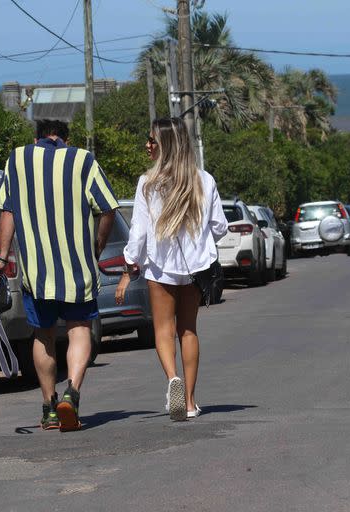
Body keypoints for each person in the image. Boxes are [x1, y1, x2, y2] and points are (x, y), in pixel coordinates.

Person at [0, 120, 118, 432]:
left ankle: (49, 407)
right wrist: (96, 248)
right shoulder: (82, 159)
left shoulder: (17, 160)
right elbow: (108, 208)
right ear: (65, 139)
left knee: (43, 335)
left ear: (37, 138)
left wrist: (1, 258)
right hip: (77, 268)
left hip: (37, 270)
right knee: (79, 330)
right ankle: (72, 394)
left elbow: (7, 211)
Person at [116, 118, 227, 421]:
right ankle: (190, 402)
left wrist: (129, 264)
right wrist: (200, 238)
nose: (147, 145)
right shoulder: (204, 180)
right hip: (195, 268)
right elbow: (220, 226)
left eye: (151, 141)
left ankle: (172, 380)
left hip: (161, 268)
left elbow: (138, 232)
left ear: (165, 145)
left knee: (163, 331)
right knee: (188, 330)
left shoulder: (148, 184)